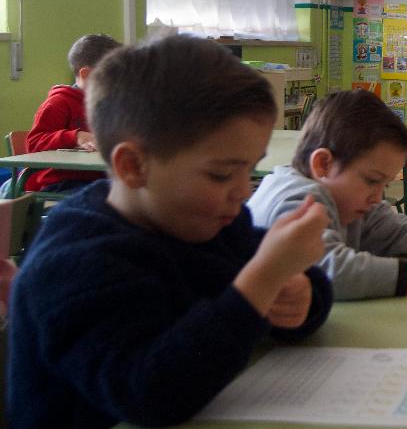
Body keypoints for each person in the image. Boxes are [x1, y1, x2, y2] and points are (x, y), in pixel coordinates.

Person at [7, 35, 333, 429]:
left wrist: (302, 295)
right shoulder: (75, 263)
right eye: (222, 174)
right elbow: (151, 395)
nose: (244, 191)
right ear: (133, 166)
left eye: (249, 169)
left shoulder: (210, 219)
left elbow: (281, 293)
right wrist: (263, 280)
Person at [248, 89, 407, 301]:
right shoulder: (296, 200)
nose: (377, 198)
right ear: (323, 164)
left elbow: (395, 228)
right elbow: (334, 271)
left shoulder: (345, 199)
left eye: (384, 186)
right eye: (371, 181)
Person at [22, 33, 121, 192]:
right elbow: (33, 143)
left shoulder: (110, 105)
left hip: (98, 180)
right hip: (61, 183)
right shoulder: (59, 102)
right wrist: (76, 136)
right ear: (86, 74)